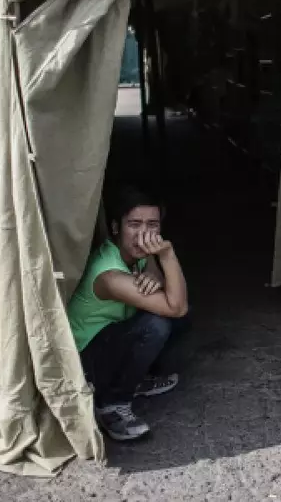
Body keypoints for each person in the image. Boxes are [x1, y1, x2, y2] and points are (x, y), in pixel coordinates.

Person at [66, 186, 189, 441]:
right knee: (158, 323)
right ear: (115, 227)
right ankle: (111, 404)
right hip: (85, 362)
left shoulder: (134, 254)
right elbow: (177, 306)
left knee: (177, 316)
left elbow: (178, 303)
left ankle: (134, 379)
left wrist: (154, 268)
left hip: (111, 340)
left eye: (152, 225)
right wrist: (166, 254)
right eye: (134, 224)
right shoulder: (110, 276)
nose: (143, 233)